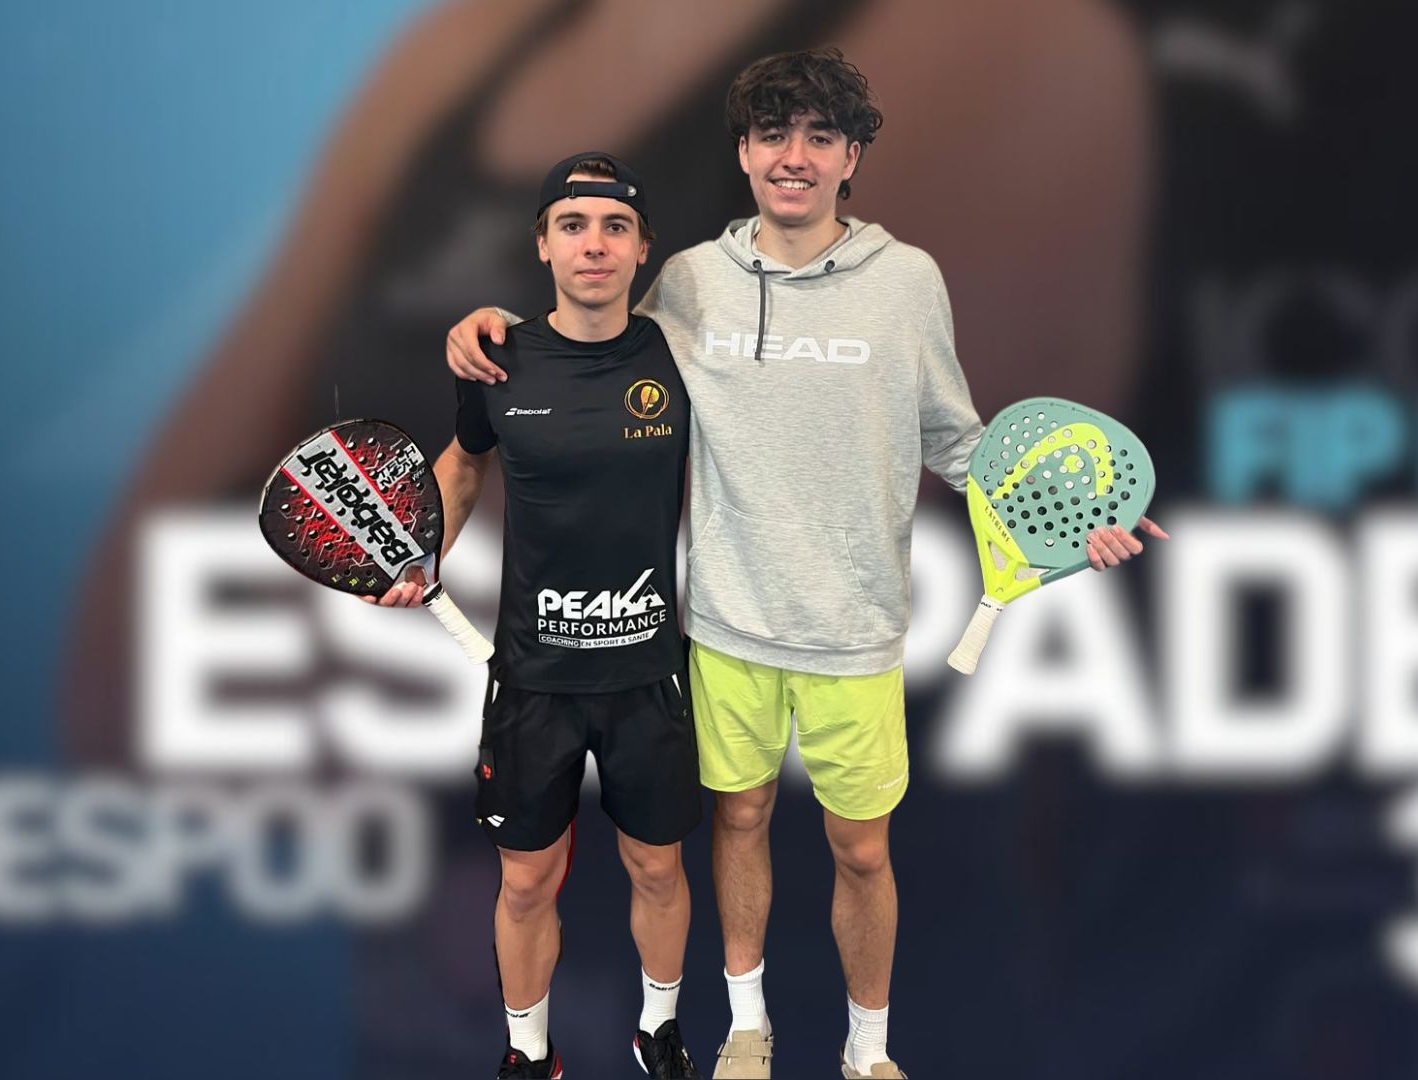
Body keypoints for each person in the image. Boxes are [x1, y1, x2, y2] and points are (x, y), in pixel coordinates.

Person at [446, 50, 1167, 1079]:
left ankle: (868, 1050)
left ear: (851, 158)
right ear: (743, 154)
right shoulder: (690, 280)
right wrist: (491, 332)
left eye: (820, 137)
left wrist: (1070, 517)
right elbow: (591, 348)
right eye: (774, 135)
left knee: (862, 852)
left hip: (856, 629)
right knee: (738, 823)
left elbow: (955, 440)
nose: (795, 157)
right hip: (726, 625)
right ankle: (747, 1030)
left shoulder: (908, 281)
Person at [386, 152, 705, 1078]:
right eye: (572, 226)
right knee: (525, 883)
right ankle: (528, 1053)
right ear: (542, 246)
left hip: (649, 674)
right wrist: (419, 551)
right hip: (533, 682)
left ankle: (659, 1030)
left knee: (658, 869)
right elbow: (462, 465)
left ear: (643, 249)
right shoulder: (496, 358)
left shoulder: (685, 358)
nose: (593, 245)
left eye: (614, 227)